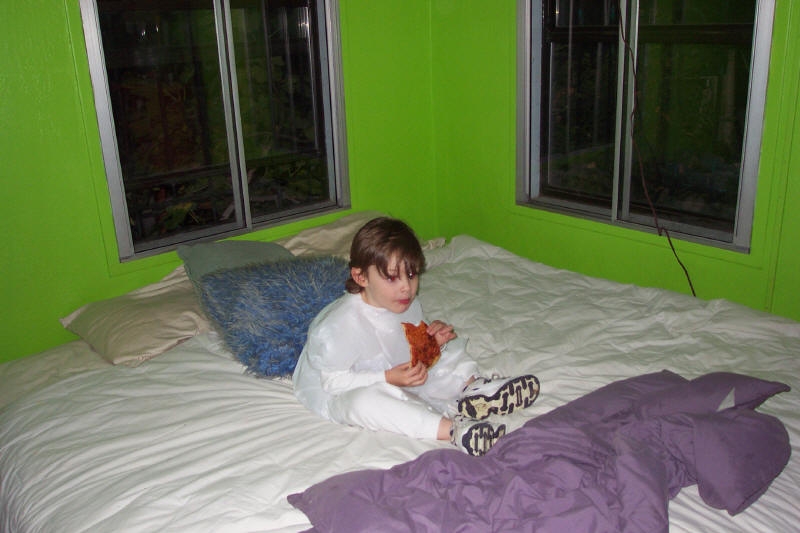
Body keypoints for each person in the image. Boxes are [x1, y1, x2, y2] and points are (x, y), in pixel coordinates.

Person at [292, 217, 539, 456]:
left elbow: (408, 347)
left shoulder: (404, 302)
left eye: (412, 275)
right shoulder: (338, 328)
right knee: (363, 404)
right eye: (392, 277)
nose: (406, 288)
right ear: (361, 277)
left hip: (396, 369)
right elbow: (332, 383)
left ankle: (474, 389)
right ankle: (455, 430)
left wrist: (433, 342)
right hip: (342, 387)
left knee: (447, 353)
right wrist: (387, 377)